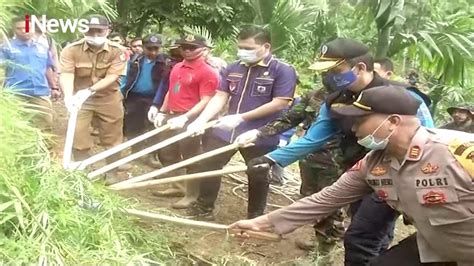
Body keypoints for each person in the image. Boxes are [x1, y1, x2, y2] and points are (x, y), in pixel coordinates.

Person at [240, 38, 434, 265]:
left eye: (335, 70)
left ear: (359, 68)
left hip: (397, 175)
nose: (330, 77)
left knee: (364, 235)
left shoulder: (404, 97)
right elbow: (314, 138)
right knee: (358, 225)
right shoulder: (335, 100)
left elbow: (427, 138)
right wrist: (271, 159)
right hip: (358, 171)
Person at [231, 85, 474, 265]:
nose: (353, 127)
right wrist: (263, 222)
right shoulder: (373, 165)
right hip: (436, 249)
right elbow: (325, 200)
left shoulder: (459, 152)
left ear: (393, 121)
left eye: (361, 120)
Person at [185, 25, 297, 220]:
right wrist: (201, 120)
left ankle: (255, 218)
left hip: (259, 133)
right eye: (240, 47)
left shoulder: (282, 70)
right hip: (227, 130)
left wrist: (242, 117)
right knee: (209, 163)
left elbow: (280, 102)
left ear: (266, 46)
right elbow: (220, 96)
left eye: (248, 48)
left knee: (258, 172)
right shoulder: (234, 67)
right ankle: (204, 207)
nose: (243, 52)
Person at [148, 34, 219, 209]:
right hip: (172, 115)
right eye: (184, 47)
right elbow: (170, 91)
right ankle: (177, 186)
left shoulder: (208, 72)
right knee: (166, 152)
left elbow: (206, 100)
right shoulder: (178, 67)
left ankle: (192, 194)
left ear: (204, 50)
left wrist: (186, 117)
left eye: (192, 47)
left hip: (191, 118)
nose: (187, 50)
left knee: (190, 158)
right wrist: (162, 111)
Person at [59, 14, 130, 181]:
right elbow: (67, 74)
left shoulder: (118, 51)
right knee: (78, 134)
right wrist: (68, 97)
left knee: (112, 137)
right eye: (90, 31)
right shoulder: (71, 50)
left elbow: (112, 77)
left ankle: (111, 171)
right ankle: (84, 171)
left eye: (99, 31)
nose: (95, 35)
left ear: (108, 31)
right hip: (81, 100)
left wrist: (89, 90)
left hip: (108, 98)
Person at [0, 16, 55, 132]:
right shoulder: (6, 48)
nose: (24, 30)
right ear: (14, 30)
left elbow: (47, 68)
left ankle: (45, 149)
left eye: (27, 27)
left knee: (45, 125)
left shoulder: (42, 47)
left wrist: (54, 87)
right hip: (15, 94)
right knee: (16, 127)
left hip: (40, 92)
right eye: (19, 28)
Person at [121, 34, 170, 161]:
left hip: (154, 99)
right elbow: (126, 78)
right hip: (134, 97)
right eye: (149, 49)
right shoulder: (135, 60)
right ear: (143, 47)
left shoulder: (165, 62)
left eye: (156, 49)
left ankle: (151, 155)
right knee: (133, 125)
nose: (153, 52)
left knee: (153, 126)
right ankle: (135, 151)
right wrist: (121, 93)